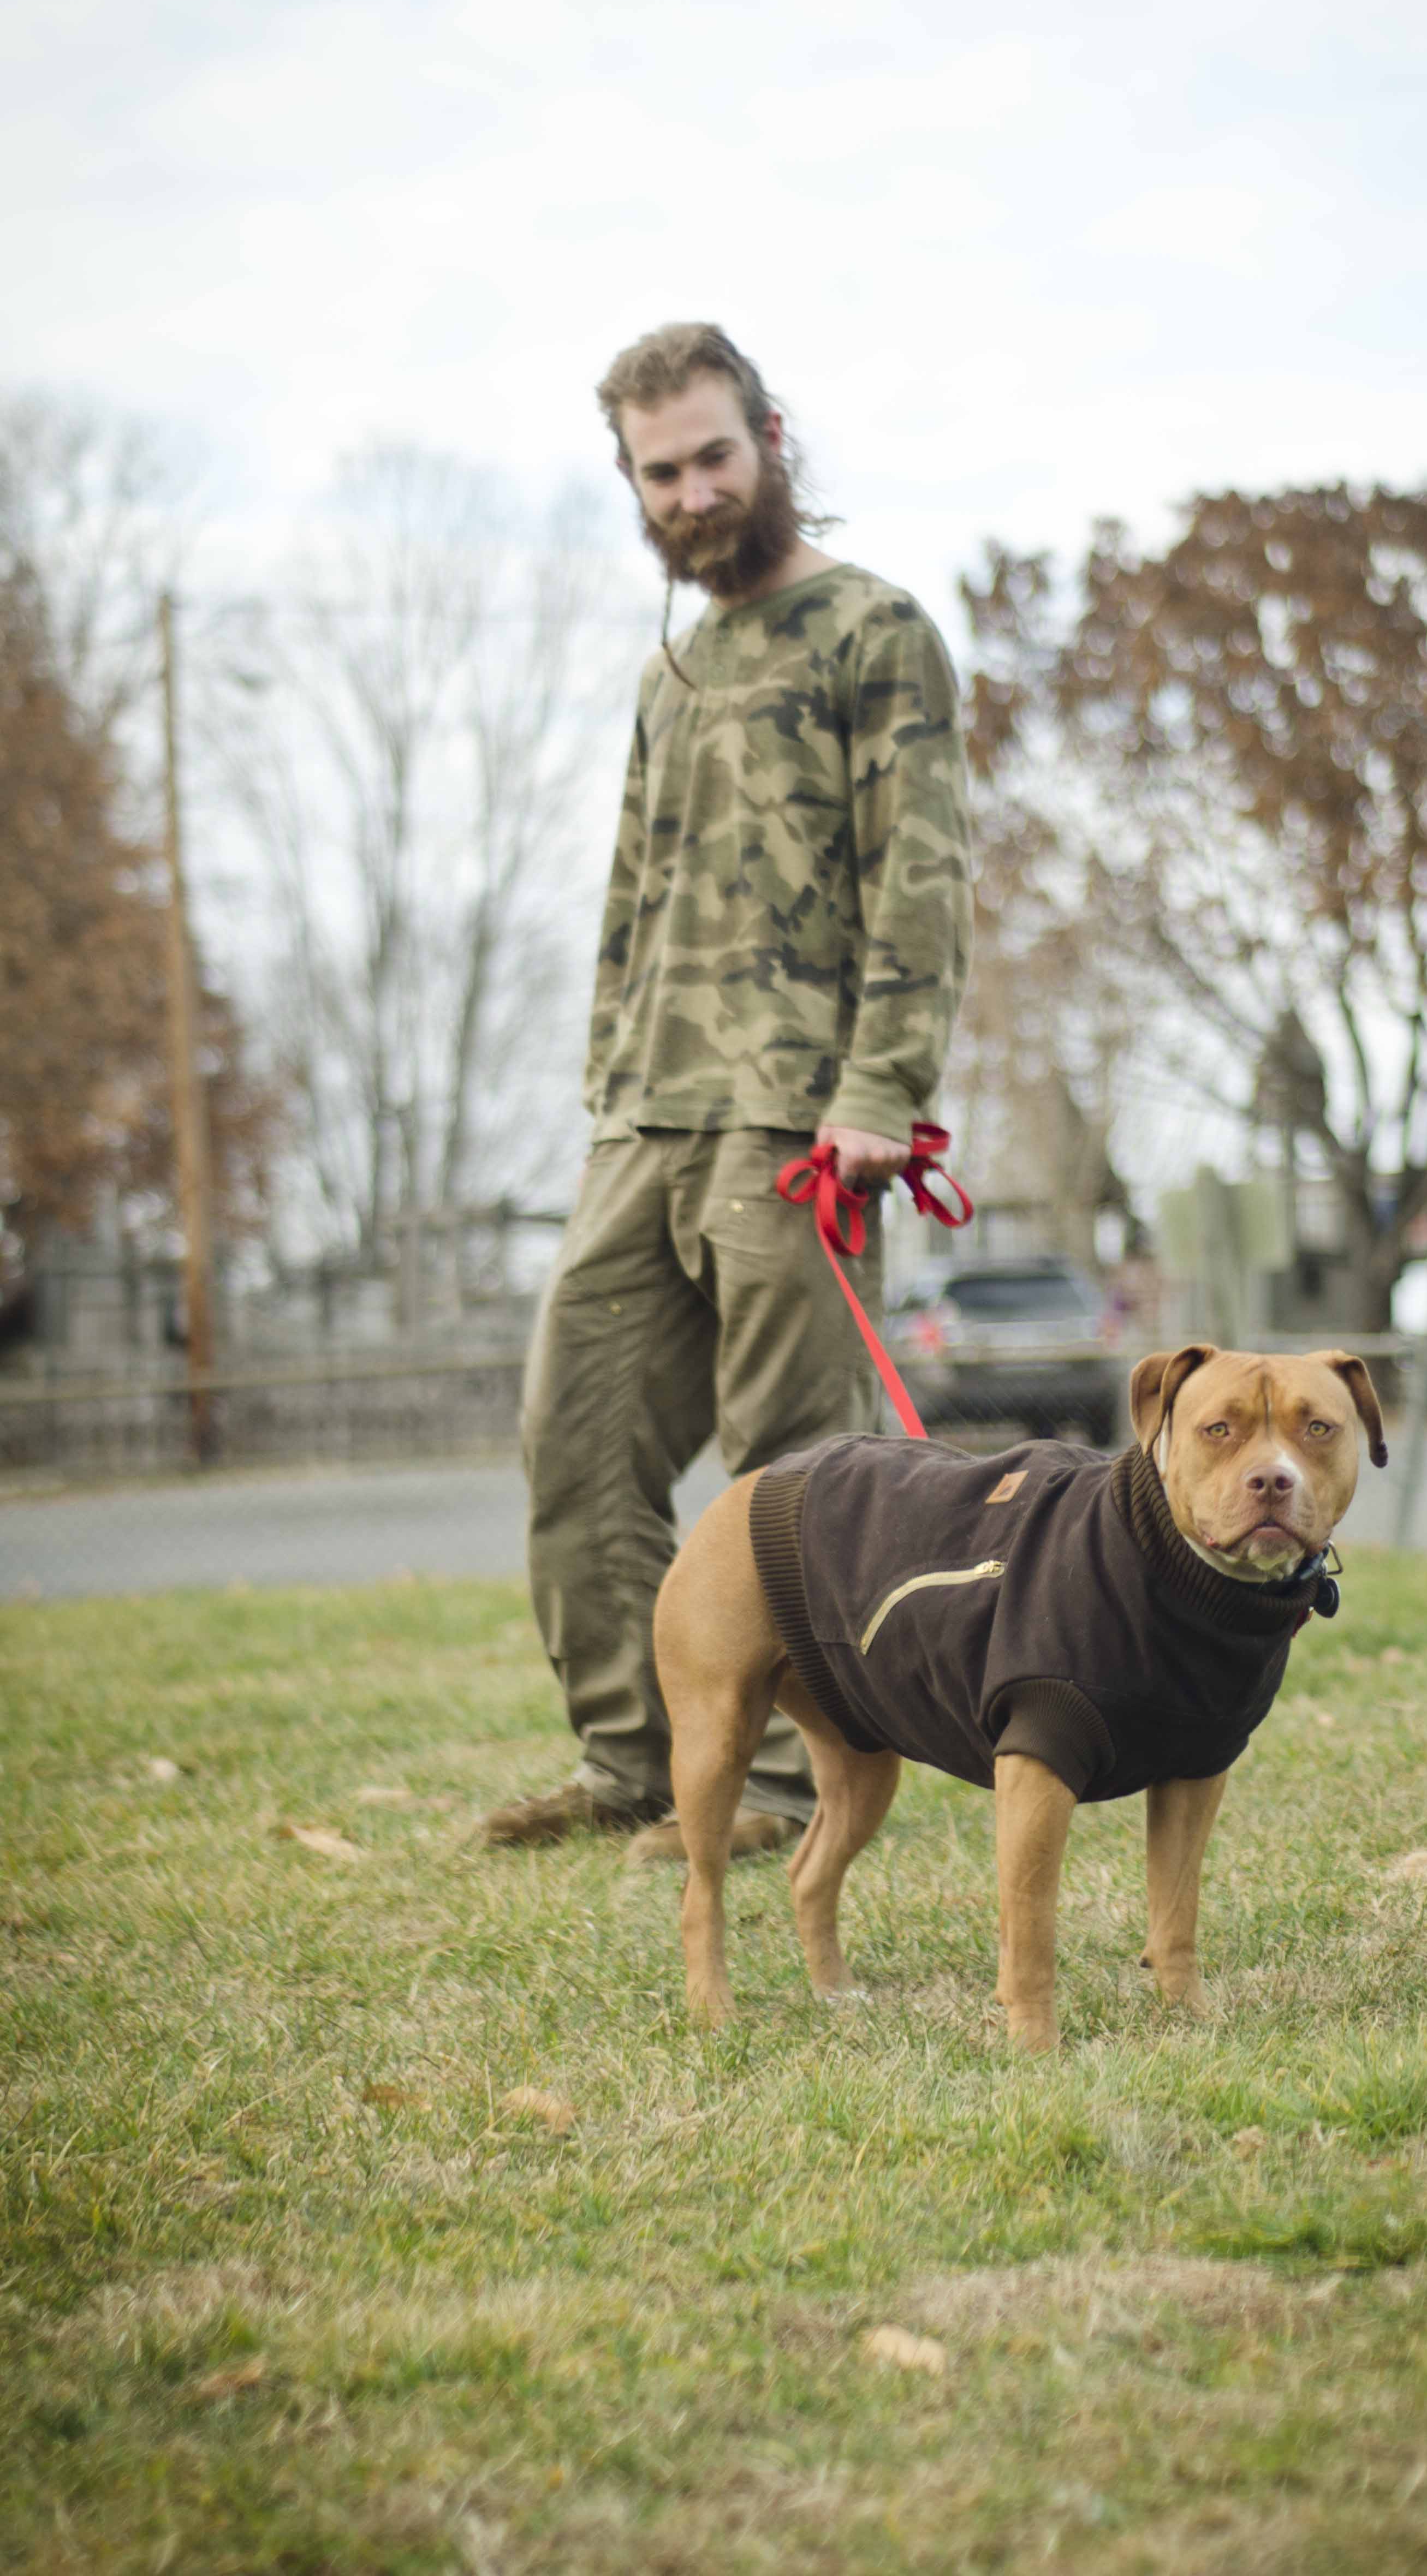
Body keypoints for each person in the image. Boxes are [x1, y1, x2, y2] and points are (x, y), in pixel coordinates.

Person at [481, 322, 973, 1858]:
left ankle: (773, 1792)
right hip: (648, 1120)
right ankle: (637, 1769)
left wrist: (879, 1091)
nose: (692, 492)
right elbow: (635, 888)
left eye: (712, 455)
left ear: (768, 435)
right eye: (660, 473)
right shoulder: (673, 666)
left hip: (798, 1126)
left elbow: (924, 878)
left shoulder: (873, 629)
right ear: (632, 485)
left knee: (787, 1477)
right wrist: (606, 1078)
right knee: (577, 1441)